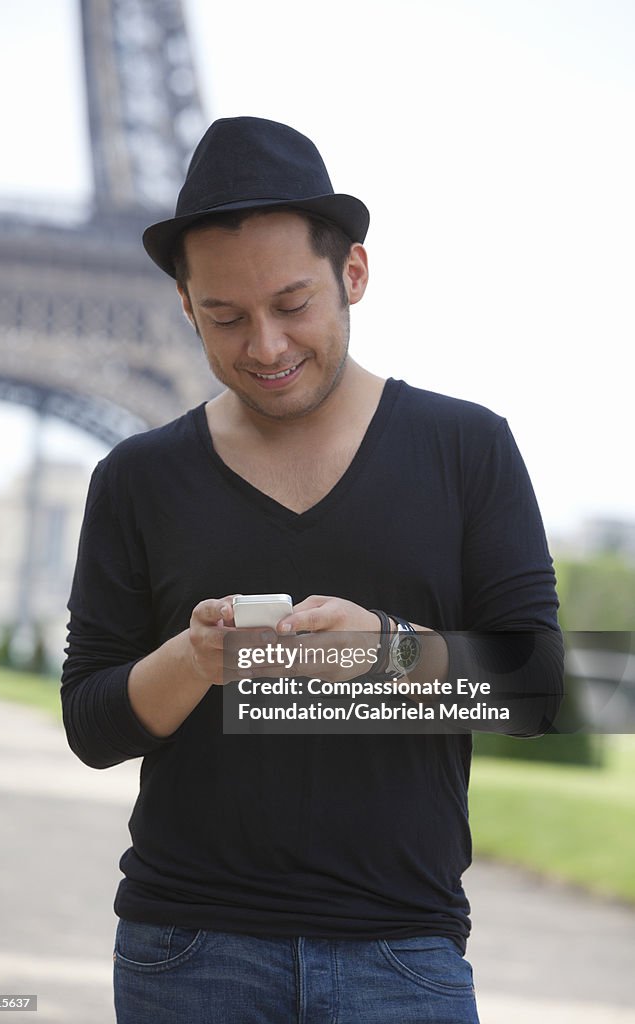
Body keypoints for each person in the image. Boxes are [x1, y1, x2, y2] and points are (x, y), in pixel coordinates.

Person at [61, 116, 563, 1024]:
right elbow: (92, 726)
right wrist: (195, 662)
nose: (264, 346)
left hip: (401, 954)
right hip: (186, 954)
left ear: (353, 276)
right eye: (224, 316)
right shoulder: (136, 477)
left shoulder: (467, 447)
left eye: (292, 305)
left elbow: (537, 691)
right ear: (183, 306)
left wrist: (387, 653)